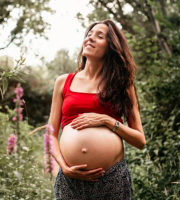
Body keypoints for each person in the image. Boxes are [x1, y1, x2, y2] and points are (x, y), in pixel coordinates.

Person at [48, 19, 146, 200]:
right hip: (70, 179)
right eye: (89, 35)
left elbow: (140, 141)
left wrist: (108, 121)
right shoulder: (63, 82)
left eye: (99, 36)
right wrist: (65, 168)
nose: (90, 39)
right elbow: (51, 134)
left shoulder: (122, 85)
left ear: (111, 47)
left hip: (111, 178)